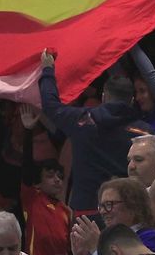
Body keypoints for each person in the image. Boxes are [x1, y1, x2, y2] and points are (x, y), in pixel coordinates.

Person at [39, 50, 143, 212]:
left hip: (85, 212)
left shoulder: (81, 120)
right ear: (131, 101)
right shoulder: (146, 134)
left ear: (104, 97)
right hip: (126, 212)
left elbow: (50, 105)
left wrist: (47, 70)